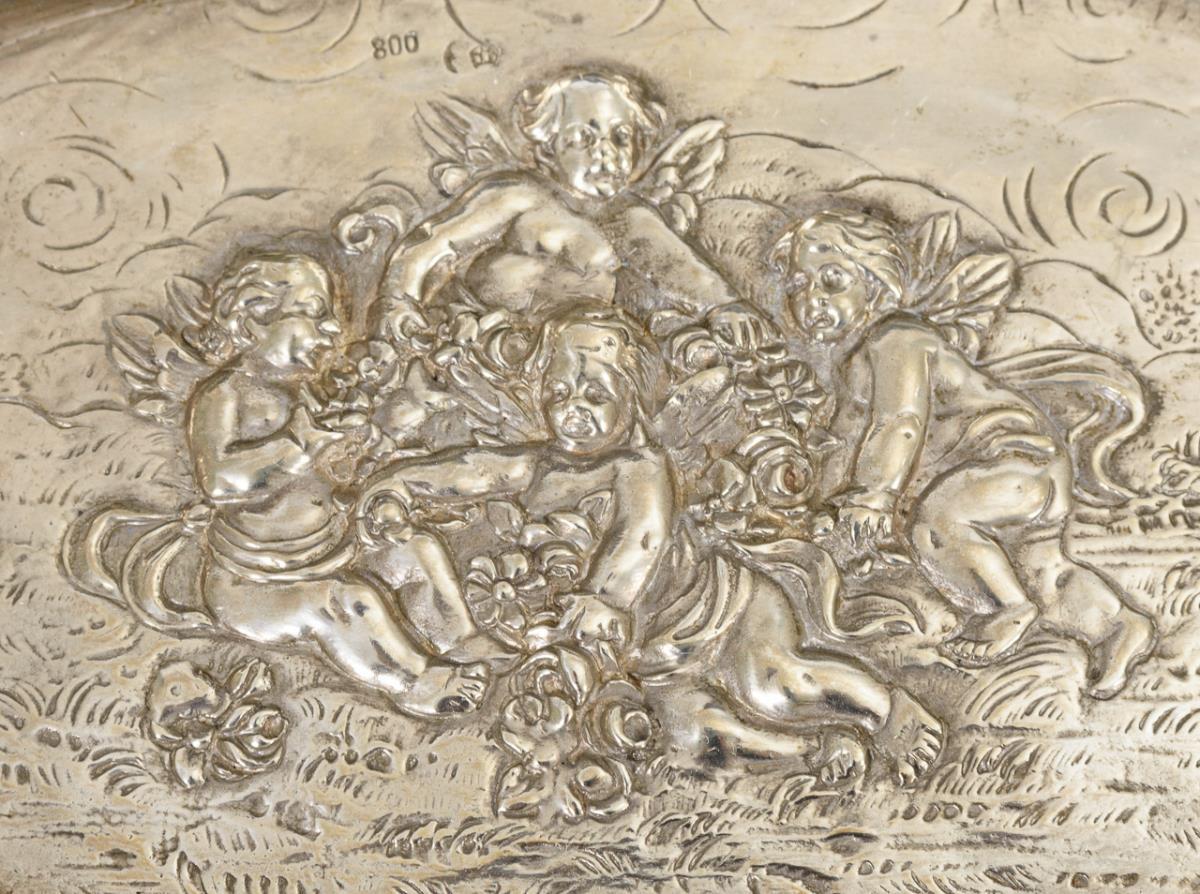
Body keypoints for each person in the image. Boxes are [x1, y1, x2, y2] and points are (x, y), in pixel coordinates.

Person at [771, 211, 1156, 699]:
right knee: (1045, 573)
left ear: (877, 281)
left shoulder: (896, 339)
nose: (813, 299)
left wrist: (874, 497)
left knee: (938, 523)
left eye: (832, 280)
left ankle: (1005, 609)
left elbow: (899, 422)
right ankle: (1119, 627)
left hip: (1012, 459)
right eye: (798, 285)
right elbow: (851, 444)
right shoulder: (853, 365)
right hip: (1022, 473)